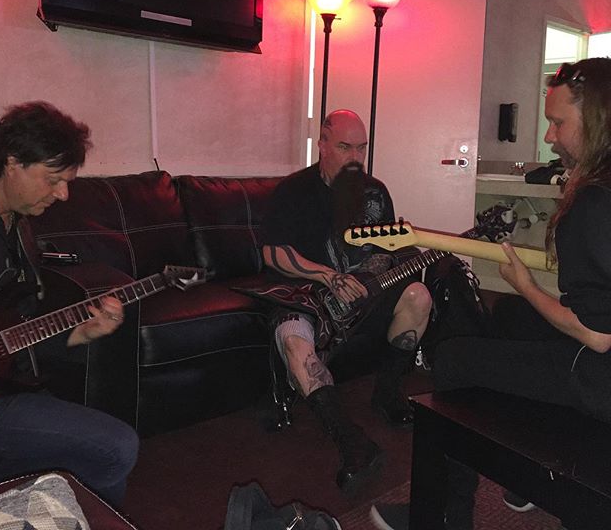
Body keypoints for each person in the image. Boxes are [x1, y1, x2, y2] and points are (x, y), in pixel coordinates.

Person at [370, 58, 611, 529]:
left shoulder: (593, 203)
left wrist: (527, 284)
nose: (549, 137)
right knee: (512, 319)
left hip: (601, 376)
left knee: (456, 359)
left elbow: (598, 334)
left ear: (598, 120)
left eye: (559, 122)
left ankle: (442, 517)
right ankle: (525, 465)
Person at [0, 101, 139, 507]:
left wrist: (80, 333)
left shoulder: (19, 227)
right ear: (12, 163)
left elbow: (12, 332)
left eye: (66, 181)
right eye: (52, 180)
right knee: (116, 448)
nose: (63, 194)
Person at [262, 109, 432, 493]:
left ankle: (387, 393)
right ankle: (351, 442)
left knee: (419, 295)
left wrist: (379, 268)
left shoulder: (375, 192)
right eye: (344, 147)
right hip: (304, 296)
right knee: (294, 342)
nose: (355, 157)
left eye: (362, 147)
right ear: (322, 145)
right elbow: (273, 254)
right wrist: (328, 276)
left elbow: (384, 250)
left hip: (362, 296)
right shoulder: (292, 191)